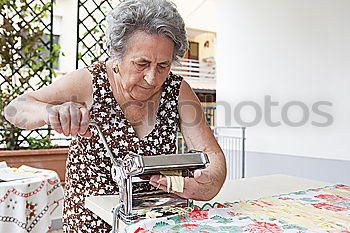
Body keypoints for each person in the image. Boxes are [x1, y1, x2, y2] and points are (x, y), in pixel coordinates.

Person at [4, 0, 227, 231]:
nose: (152, 78)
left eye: (163, 65)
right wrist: (49, 111)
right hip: (91, 224)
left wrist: (208, 183)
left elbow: (212, 156)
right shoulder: (90, 82)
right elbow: (14, 109)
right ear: (117, 55)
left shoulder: (177, 90)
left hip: (154, 223)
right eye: (142, 63)